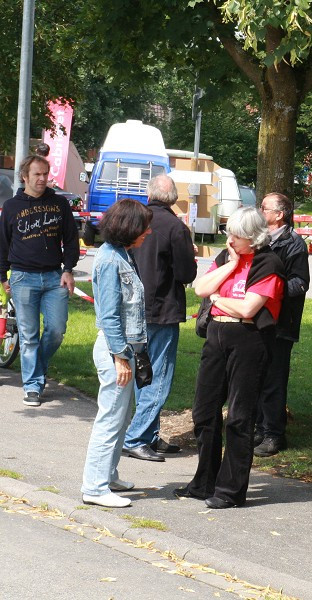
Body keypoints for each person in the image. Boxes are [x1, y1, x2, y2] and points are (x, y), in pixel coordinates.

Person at [175, 207, 284, 509]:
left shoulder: (269, 263)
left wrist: (219, 299)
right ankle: (204, 482)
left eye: (237, 235)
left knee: (238, 417)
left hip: (249, 341)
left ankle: (230, 490)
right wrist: (231, 266)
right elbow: (200, 288)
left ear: (254, 237)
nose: (230, 239)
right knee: (204, 411)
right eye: (230, 233)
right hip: (217, 336)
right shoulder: (227, 257)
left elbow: (249, 309)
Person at [81, 199, 153, 508]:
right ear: (128, 228)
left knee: (121, 418)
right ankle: (94, 488)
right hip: (116, 352)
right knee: (110, 419)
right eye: (143, 228)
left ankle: (108, 475)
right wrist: (121, 357)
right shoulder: (111, 260)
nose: (148, 232)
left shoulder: (122, 254)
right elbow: (109, 316)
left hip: (125, 349)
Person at [122, 175, 197, 462]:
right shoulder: (176, 227)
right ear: (174, 197)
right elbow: (186, 273)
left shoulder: (136, 220)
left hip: (132, 306)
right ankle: (137, 436)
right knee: (159, 376)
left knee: (144, 373)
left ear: (149, 194)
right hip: (162, 309)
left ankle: (149, 434)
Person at [0, 155, 79, 406]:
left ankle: (37, 368)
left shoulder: (59, 204)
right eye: (37, 174)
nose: (43, 178)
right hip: (23, 277)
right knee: (28, 334)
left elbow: (71, 240)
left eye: (45, 173)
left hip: (55, 276)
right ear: (25, 176)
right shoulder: (12, 206)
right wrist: (3, 277)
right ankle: (33, 385)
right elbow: (2, 244)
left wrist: (68, 269)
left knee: (56, 330)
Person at [254, 192, 310, 457]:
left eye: (264, 208)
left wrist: (269, 291)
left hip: (280, 323)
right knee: (256, 375)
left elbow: (300, 283)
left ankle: (274, 435)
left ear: (279, 214)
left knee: (274, 379)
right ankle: (258, 428)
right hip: (257, 319)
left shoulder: (294, 243)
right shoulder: (259, 238)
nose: (260, 211)